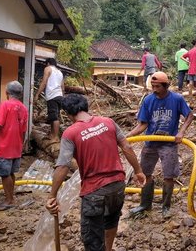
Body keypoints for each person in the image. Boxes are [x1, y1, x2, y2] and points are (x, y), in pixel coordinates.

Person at [45, 94, 146, 251]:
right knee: (111, 220)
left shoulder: (70, 133)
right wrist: (138, 171)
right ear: (86, 106)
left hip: (94, 191)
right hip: (118, 184)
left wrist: (52, 195)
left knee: (92, 237)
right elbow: (127, 147)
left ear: (67, 113)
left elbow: (63, 166)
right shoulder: (108, 122)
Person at [127, 71, 194, 218]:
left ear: (166, 86)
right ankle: (145, 204)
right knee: (144, 173)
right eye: (153, 86)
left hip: (169, 144)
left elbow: (189, 115)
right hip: (151, 142)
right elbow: (143, 124)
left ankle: (166, 207)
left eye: (157, 86)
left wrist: (181, 132)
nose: (154, 89)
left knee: (168, 176)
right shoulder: (148, 100)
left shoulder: (176, 99)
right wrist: (128, 136)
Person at [0, 81, 28, 210]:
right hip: (16, 146)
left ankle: (9, 200)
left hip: (3, 146)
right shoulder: (23, 108)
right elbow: (23, 131)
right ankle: (11, 197)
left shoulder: (5, 105)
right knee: (10, 173)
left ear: (6, 93)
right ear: (20, 94)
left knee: (5, 174)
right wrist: (21, 145)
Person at [35, 58, 64, 141]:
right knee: (53, 116)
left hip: (52, 96)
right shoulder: (60, 72)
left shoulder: (48, 69)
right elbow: (62, 86)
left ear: (48, 63)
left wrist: (37, 94)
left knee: (54, 117)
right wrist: (62, 96)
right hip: (59, 95)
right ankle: (52, 134)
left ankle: (55, 137)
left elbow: (44, 82)